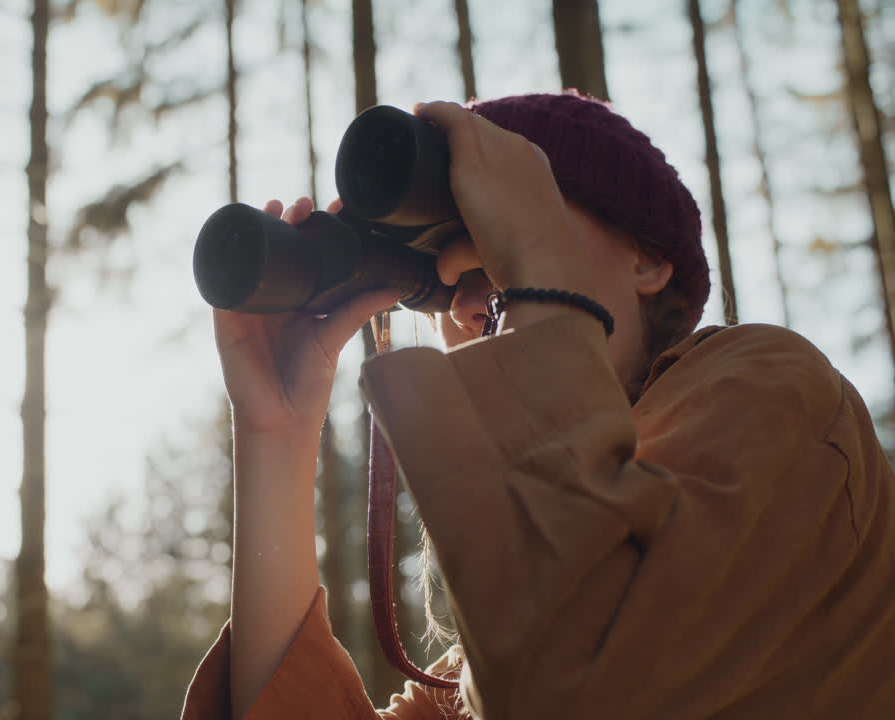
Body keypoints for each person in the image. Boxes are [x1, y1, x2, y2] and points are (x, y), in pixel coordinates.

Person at [181, 92, 895, 719]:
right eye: (434, 282)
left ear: (646, 260)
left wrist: (535, 277)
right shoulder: (514, 616)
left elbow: (581, 691)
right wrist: (276, 431)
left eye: (493, 230)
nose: (463, 294)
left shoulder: (773, 388)